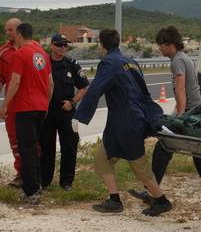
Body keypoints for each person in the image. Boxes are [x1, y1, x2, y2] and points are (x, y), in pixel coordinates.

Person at [129, 26, 201, 210]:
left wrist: (181, 115)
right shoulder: (182, 58)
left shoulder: (177, 61)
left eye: (161, 45)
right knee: (199, 156)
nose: (160, 49)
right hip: (196, 111)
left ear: (170, 45)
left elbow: (181, 88)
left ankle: (152, 192)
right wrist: (176, 111)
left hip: (192, 114)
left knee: (164, 147)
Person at [73, 29, 172, 216]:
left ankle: (161, 201)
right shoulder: (131, 62)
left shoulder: (109, 62)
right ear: (117, 42)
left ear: (101, 44)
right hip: (130, 120)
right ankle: (114, 200)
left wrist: (79, 116)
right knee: (103, 158)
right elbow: (144, 92)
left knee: (139, 166)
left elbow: (95, 89)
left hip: (126, 123)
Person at [0, 23, 53, 204]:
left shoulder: (20, 54)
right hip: (40, 107)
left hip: (24, 107)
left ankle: (30, 192)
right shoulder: (43, 55)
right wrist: (45, 104)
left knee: (27, 149)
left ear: (20, 35)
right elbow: (50, 83)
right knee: (36, 147)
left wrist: (5, 105)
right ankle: (38, 184)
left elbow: (14, 82)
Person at [40, 34, 89, 191]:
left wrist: (73, 102)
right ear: (52, 46)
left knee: (69, 146)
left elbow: (83, 87)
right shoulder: (42, 63)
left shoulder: (72, 64)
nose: (63, 48)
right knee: (46, 147)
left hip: (66, 111)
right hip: (47, 111)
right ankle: (45, 180)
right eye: (59, 45)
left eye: (65, 45)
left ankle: (66, 182)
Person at [0, 18, 22, 187]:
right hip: (12, 104)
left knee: (33, 140)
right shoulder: (3, 52)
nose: (7, 33)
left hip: (31, 103)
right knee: (14, 139)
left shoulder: (32, 48)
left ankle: (36, 174)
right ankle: (20, 173)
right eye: (6, 30)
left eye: (10, 30)